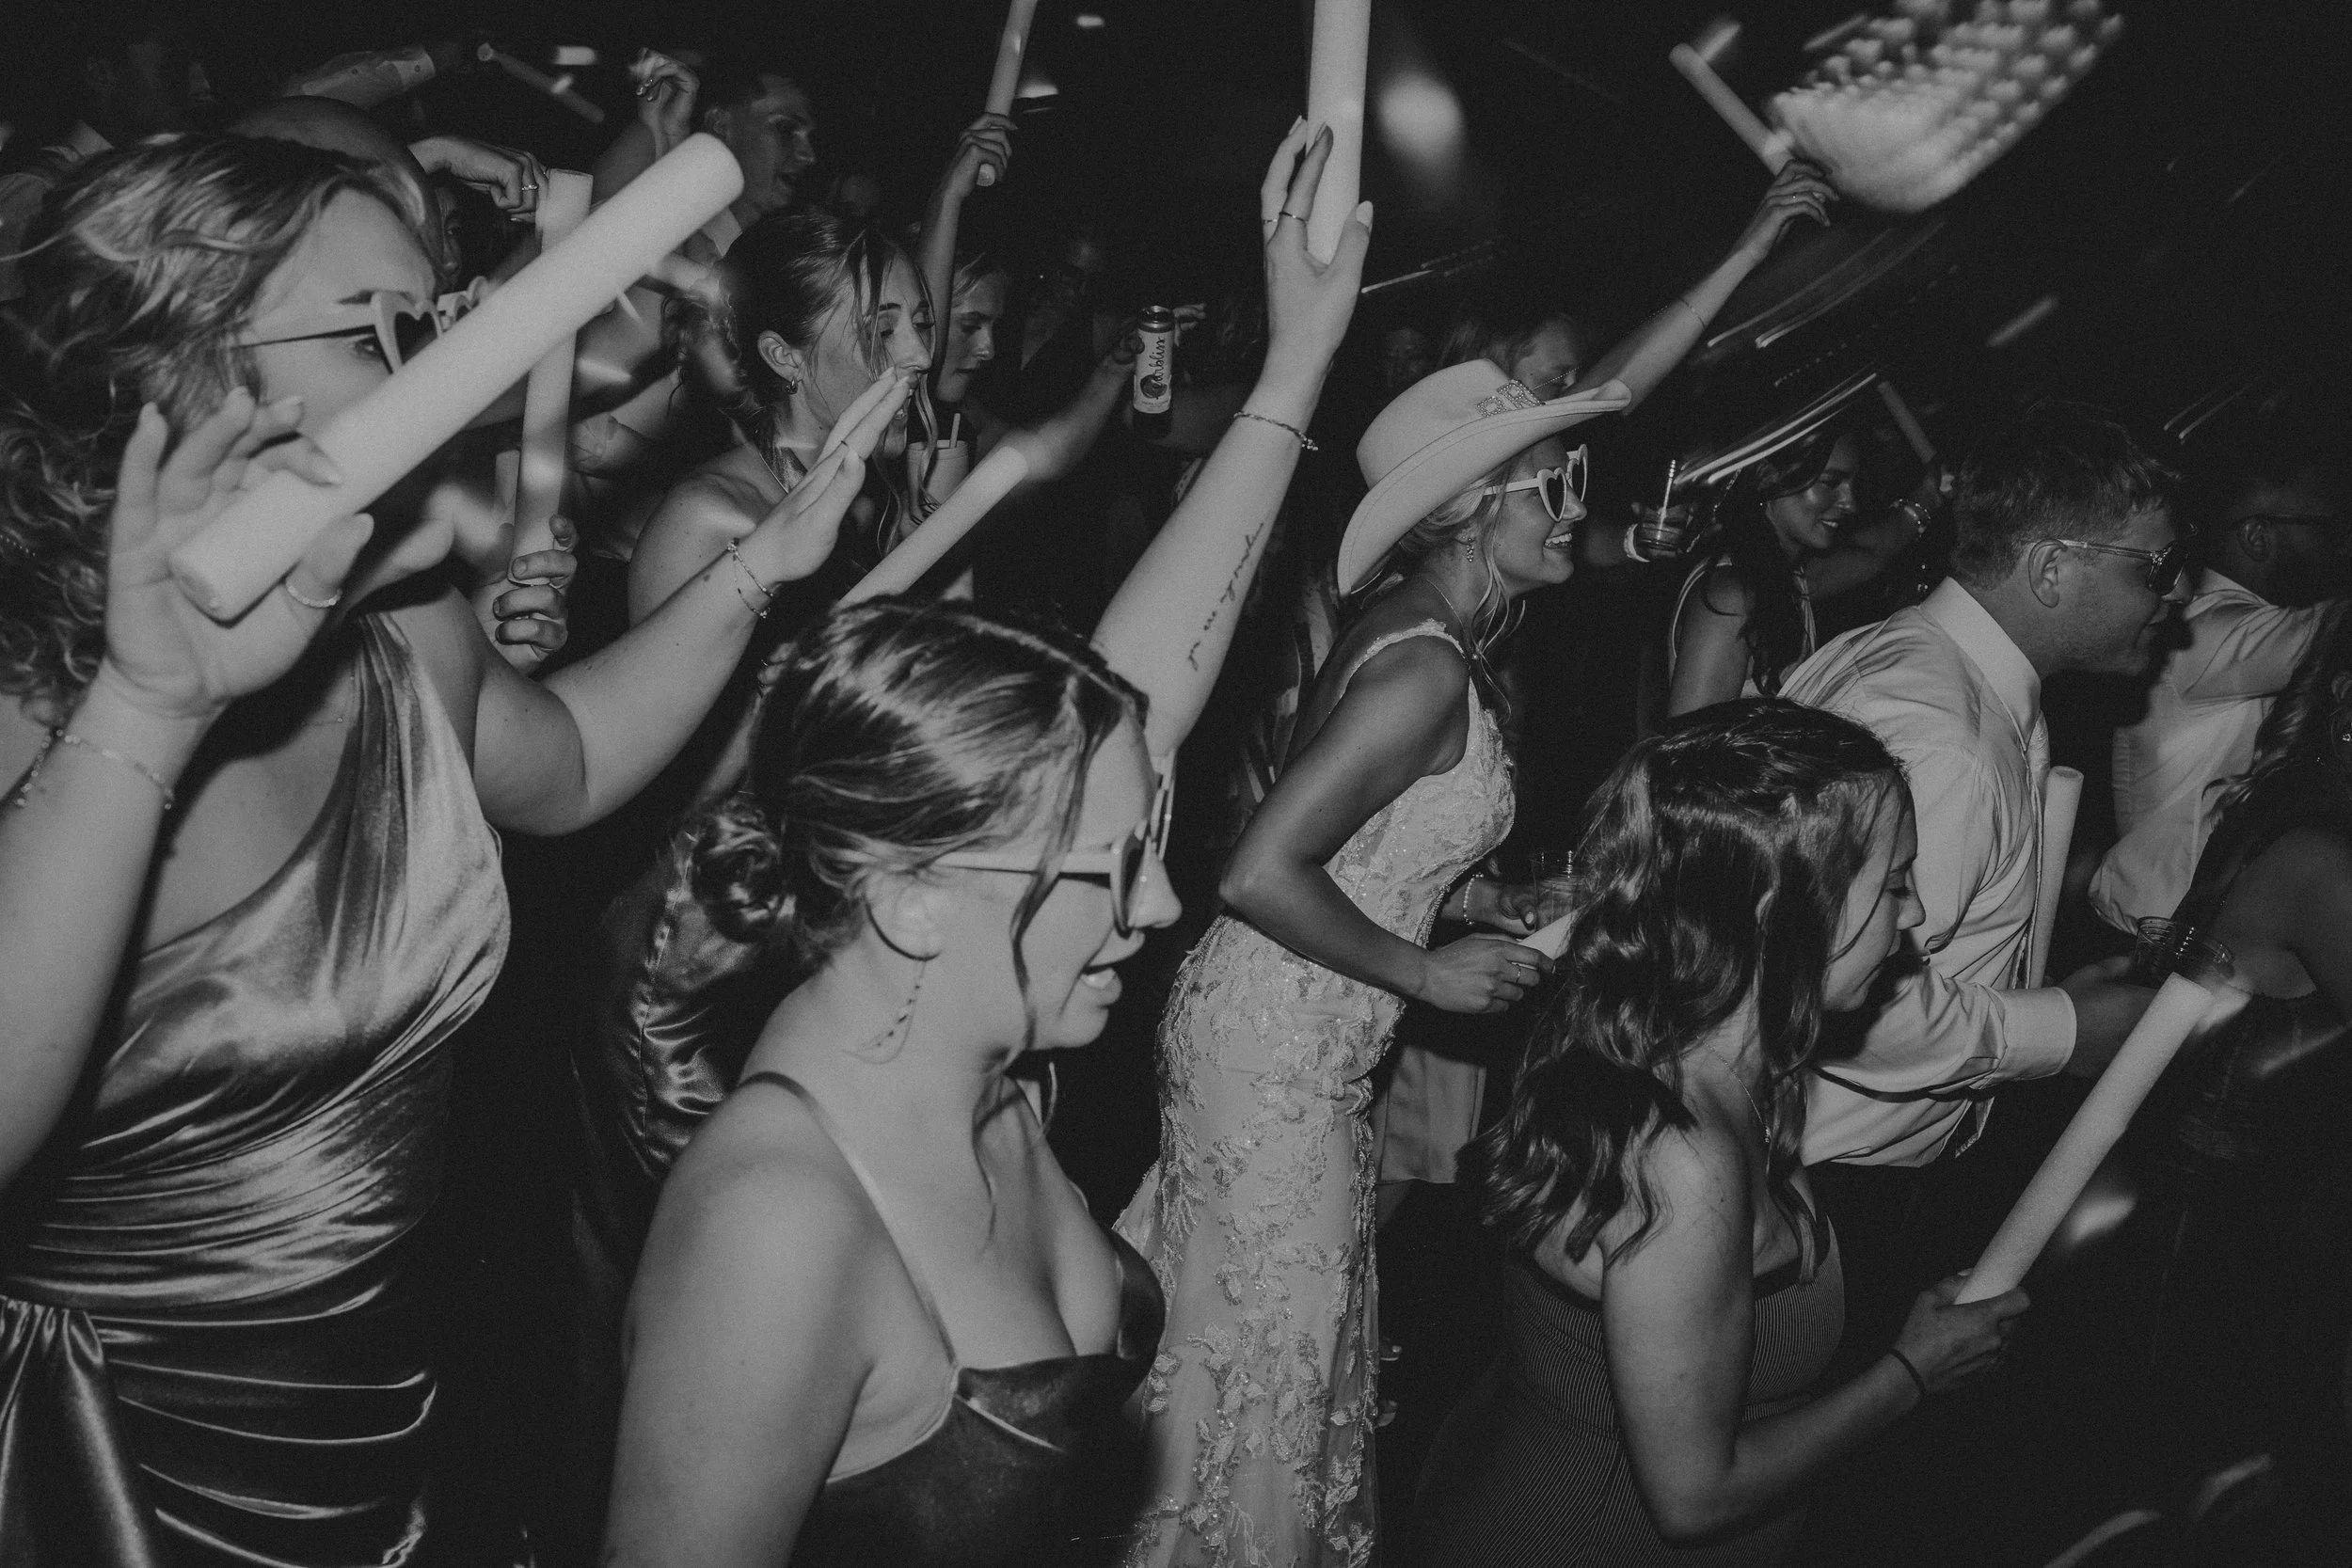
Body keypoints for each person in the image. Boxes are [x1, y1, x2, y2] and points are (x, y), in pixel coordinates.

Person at [0, 133, 899, 1565]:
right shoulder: (34, 713)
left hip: (379, 1416)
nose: (458, 373)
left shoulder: (399, 634)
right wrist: (147, 709)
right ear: (176, 378)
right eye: (380, 335)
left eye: (437, 319)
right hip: (112, 1454)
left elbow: (578, 762)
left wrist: (762, 566)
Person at [599, 121, 1374, 1566]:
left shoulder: (984, 1056)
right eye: (1107, 867)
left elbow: (1148, 691)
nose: (1155, 904)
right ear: (907, 892)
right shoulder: (777, 1224)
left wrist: (1290, 372)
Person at [1115, 351, 1630, 1564]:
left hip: (1295, 1032)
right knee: (1269, 1347)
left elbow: (1360, 847)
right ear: (1473, 507)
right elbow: (1256, 869)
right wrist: (1427, 970)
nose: (1576, 511)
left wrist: (1490, 893)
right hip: (1278, 1044)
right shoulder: (1422, 664)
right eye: (1550, 488)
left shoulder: (1416, 630)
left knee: (1251, 1340)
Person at [1406, 701, 2026, 1566]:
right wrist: (1912, 1372)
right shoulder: (1683, 1155)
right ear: (1781, 905)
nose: (1916, 913)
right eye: (1892, 884)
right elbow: (1693, 1496)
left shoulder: (1695, 1049)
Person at [1778, 401, 2180, 1338]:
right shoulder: (1939, 736)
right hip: (1823, 1192)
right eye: (2154, 567)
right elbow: (1831, 996)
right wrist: (2058, 1029)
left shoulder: (1926, 661)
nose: (2176, 598)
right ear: (2051, 567)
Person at [2089, 431, 2351, 940]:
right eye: (2327, 527)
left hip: (2191, 917)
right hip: (2154, 927)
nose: (2343, 542)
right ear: (2257, 535)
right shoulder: (2197, 632)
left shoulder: (2223, 625)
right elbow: (2327, 630)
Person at [1667, 425, 1933, 715]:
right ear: (1769, 476)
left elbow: (1870, 553)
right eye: (1830, 483)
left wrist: (1927, 498)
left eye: (1852, 484)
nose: (1850, 502)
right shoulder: (1730, 596)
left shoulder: (1786, 578)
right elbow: (1691, 750)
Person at [0, 5, 212, 300]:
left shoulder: (181, 176)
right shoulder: (33, 195)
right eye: (172, 68)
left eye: (202, 68)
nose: (202, 86)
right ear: (100, 73)